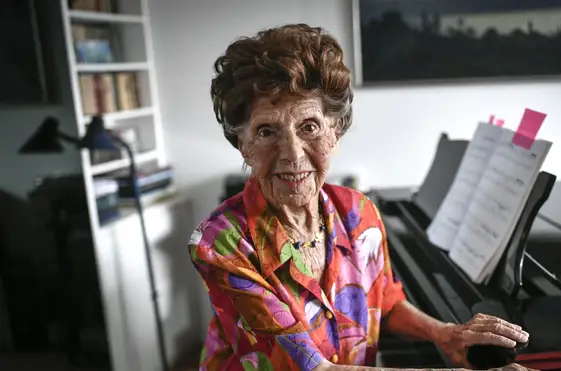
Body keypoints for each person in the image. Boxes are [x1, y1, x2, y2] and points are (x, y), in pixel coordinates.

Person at [188, 23, 535, 371]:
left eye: (309, 127)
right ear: (243, 145)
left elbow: (384, 302)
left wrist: (445, 334)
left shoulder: (358, 211)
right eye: (266, 131)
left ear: (336, 132)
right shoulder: (222, 243)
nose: (292, 155)